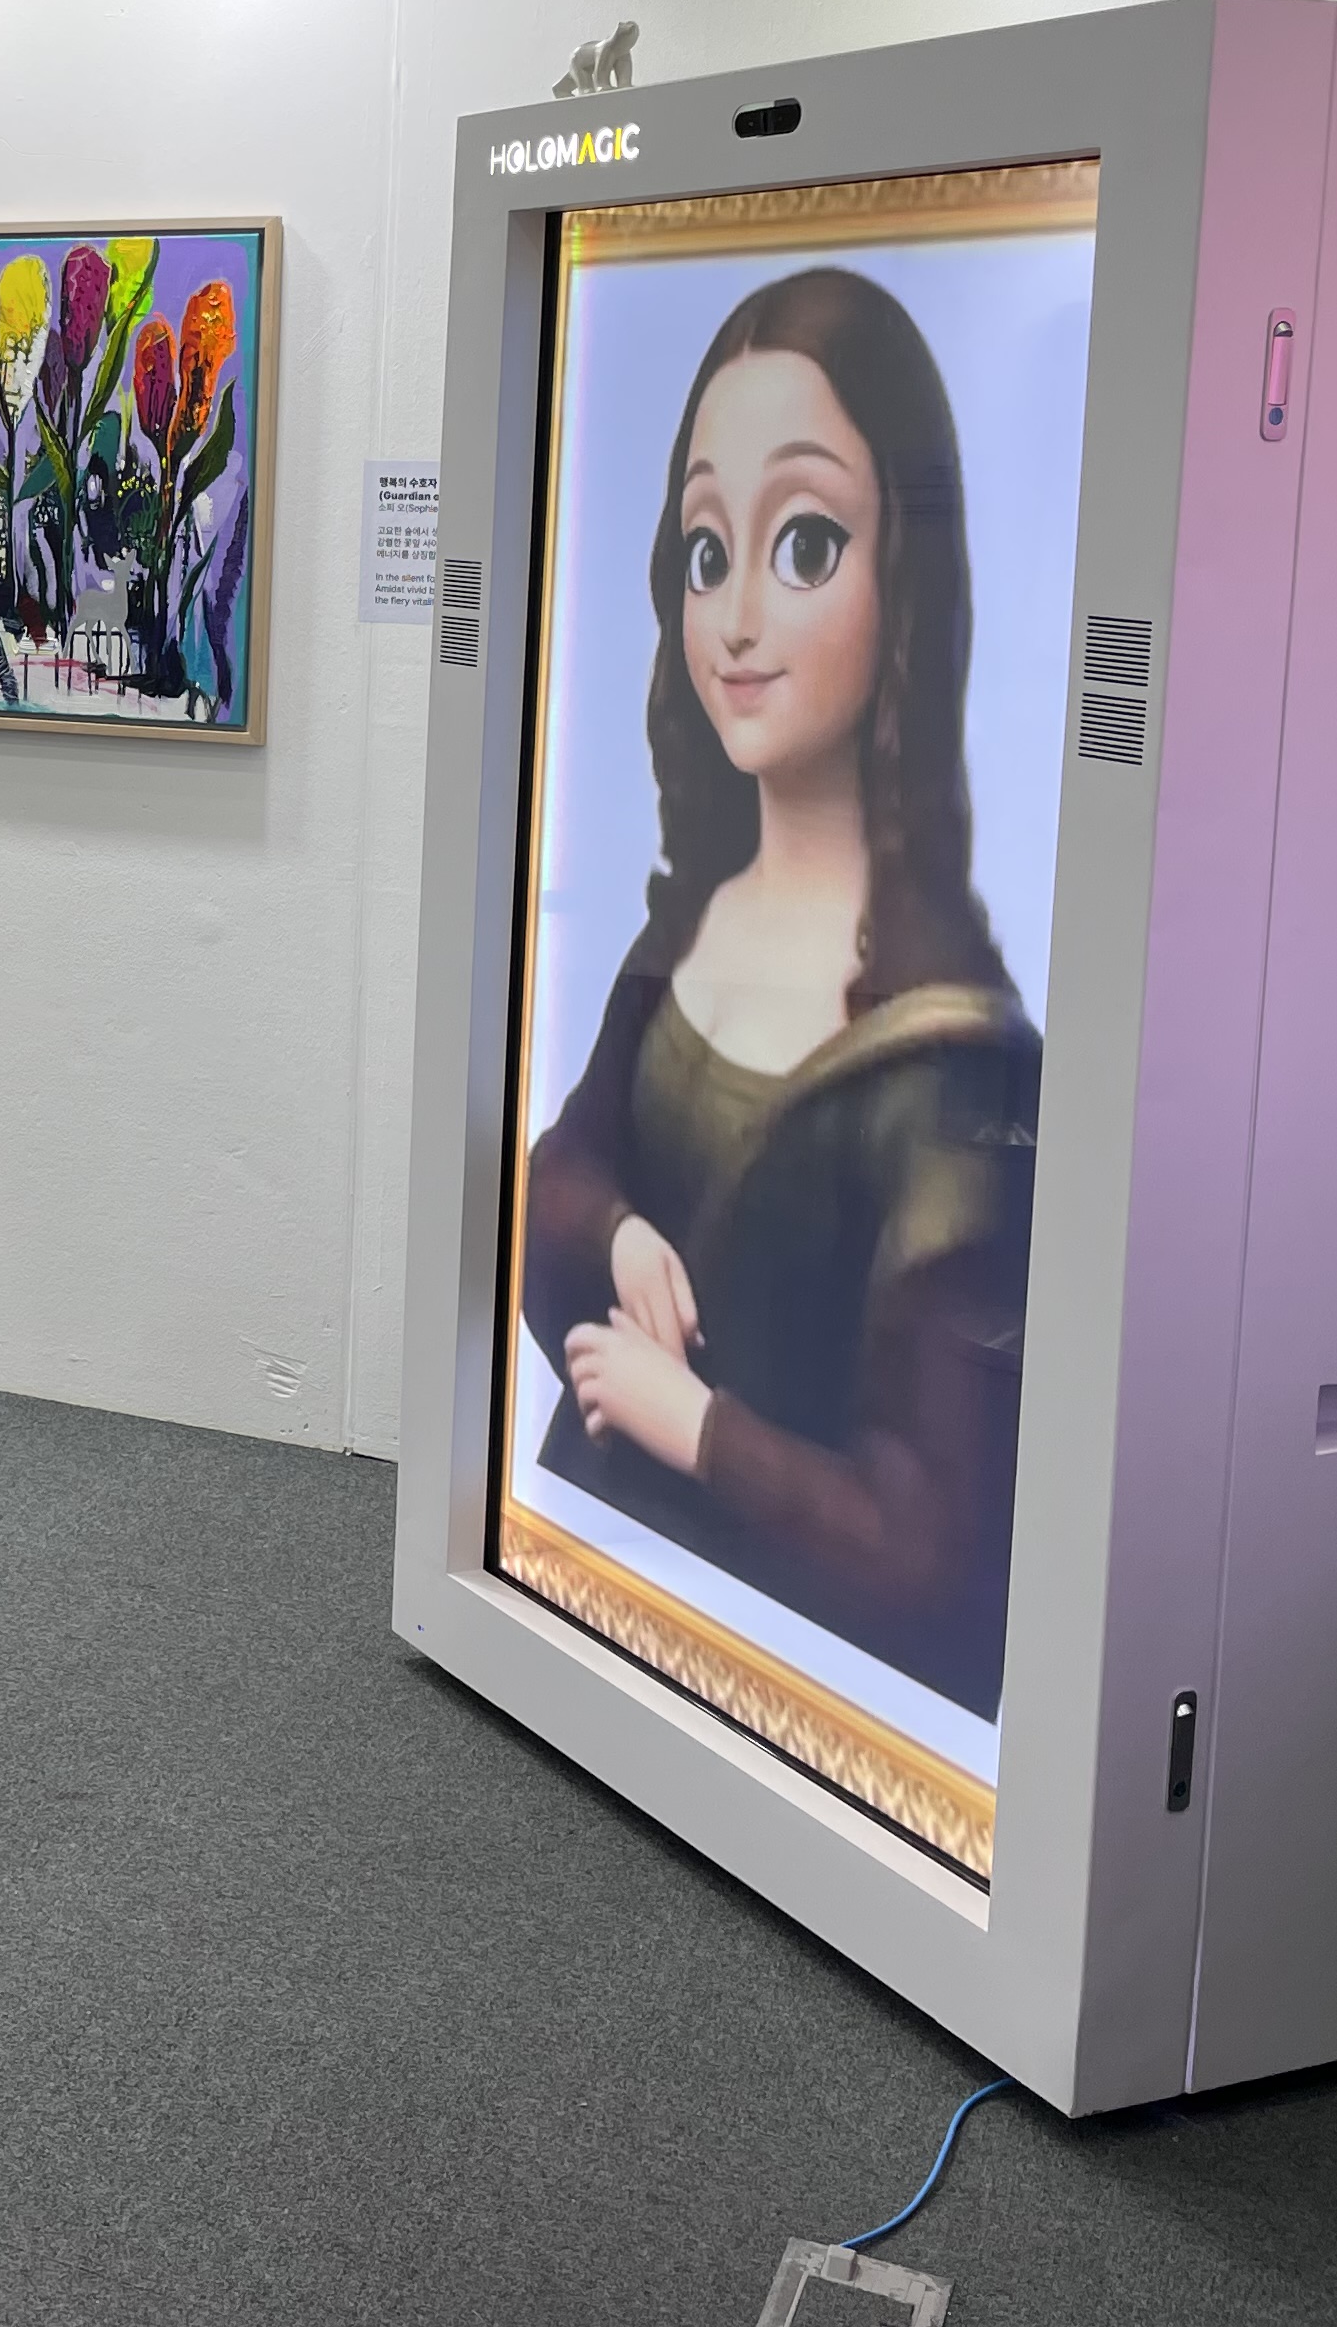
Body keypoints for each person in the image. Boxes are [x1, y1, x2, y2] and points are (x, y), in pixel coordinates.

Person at [518, 266, 1039, 1720]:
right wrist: (617, 1229)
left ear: (906, 581)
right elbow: (555, 1178)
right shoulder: (690, 924)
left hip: (798, 1688)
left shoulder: (954, 1062)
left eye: (804, 543)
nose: (736, 618)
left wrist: (699, 1430)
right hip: (604, 1589)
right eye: (707, 552)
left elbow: (934, 1551)